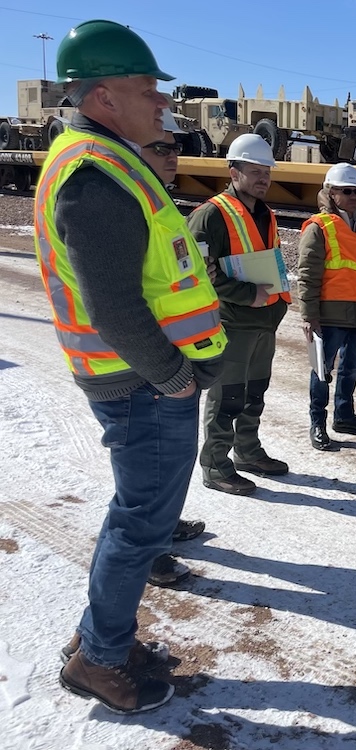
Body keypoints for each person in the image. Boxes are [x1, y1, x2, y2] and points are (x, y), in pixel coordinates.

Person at [34, 20, 226, 714]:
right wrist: (174, 377)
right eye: (147, 88)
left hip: (146, 381)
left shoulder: (111, 161)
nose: (161, 102)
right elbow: (112, 304)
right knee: (141, 523)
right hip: (142, 384)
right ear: (103, 97)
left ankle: (98, 637)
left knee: (138, 516)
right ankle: (100, 659)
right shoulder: (95, 175)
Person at [187, 133, 289, 495]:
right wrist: (249, 295)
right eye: (254, 171)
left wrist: (276, 305)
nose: (263, 178)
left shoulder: (266, 214)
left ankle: (248, 452)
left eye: (267, 171)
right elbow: (197, 276)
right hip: (231, 323)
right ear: (233, 171)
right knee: (227, 396)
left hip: (263, 322)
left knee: (254, 393)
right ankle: (215, 465)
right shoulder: (209, 216)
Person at [138, 108, 207, 586]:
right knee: (148, 472)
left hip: (176, 360)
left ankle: (163, 527)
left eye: (176, 147)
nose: (173, 155)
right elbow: (120, 302)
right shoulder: (130, 206)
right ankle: (151, 552)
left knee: (173, 462)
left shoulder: (159, 202)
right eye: (161, 147)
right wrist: (170, 371)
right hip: (154, 367)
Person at [298, 163, 356, 451]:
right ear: (331, 193)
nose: (354, 196)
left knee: (350, 368)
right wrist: (309, 316)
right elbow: (307, 275)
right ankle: (317, 422)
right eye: (347, 191)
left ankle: (344, 416)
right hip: (329, 315)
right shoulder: (318, 228)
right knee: (322, 371)